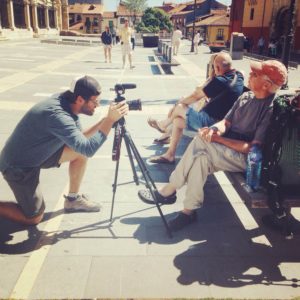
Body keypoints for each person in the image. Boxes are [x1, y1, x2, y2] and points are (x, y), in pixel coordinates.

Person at [138, 60, 287, 232]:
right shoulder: (246, 97)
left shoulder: (269, 110)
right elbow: (226, 122)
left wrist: (217, 139)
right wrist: (213, 129)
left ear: (266, 84)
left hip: (246, 160)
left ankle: (170, 189)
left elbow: (251, 149)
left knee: (202, 143)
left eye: (255, 74)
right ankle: (188, 211)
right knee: (201, 158)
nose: (250, 75)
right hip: (225, 151)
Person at [0, 75, 129, 225]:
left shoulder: (66, 102)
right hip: (19, 166)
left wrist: (104, 121)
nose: (97, 105)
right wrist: (109, 121)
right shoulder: (59, 115)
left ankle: (72, 200)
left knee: (79, 154)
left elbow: (80, 141)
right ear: (80, 99)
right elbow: (88, 149)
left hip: (37, 153)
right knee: (34, 218)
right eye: (95, 102)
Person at [147, 52, 244, 164]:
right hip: (221, 123)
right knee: (178, 121)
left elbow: (195, 96)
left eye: (214, 67)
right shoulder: (238, 76)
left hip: (210, 124)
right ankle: (170, 155)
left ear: (217, 67)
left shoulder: (220, 81)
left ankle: (164, 125)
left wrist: (180, 104)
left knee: (179, 107)